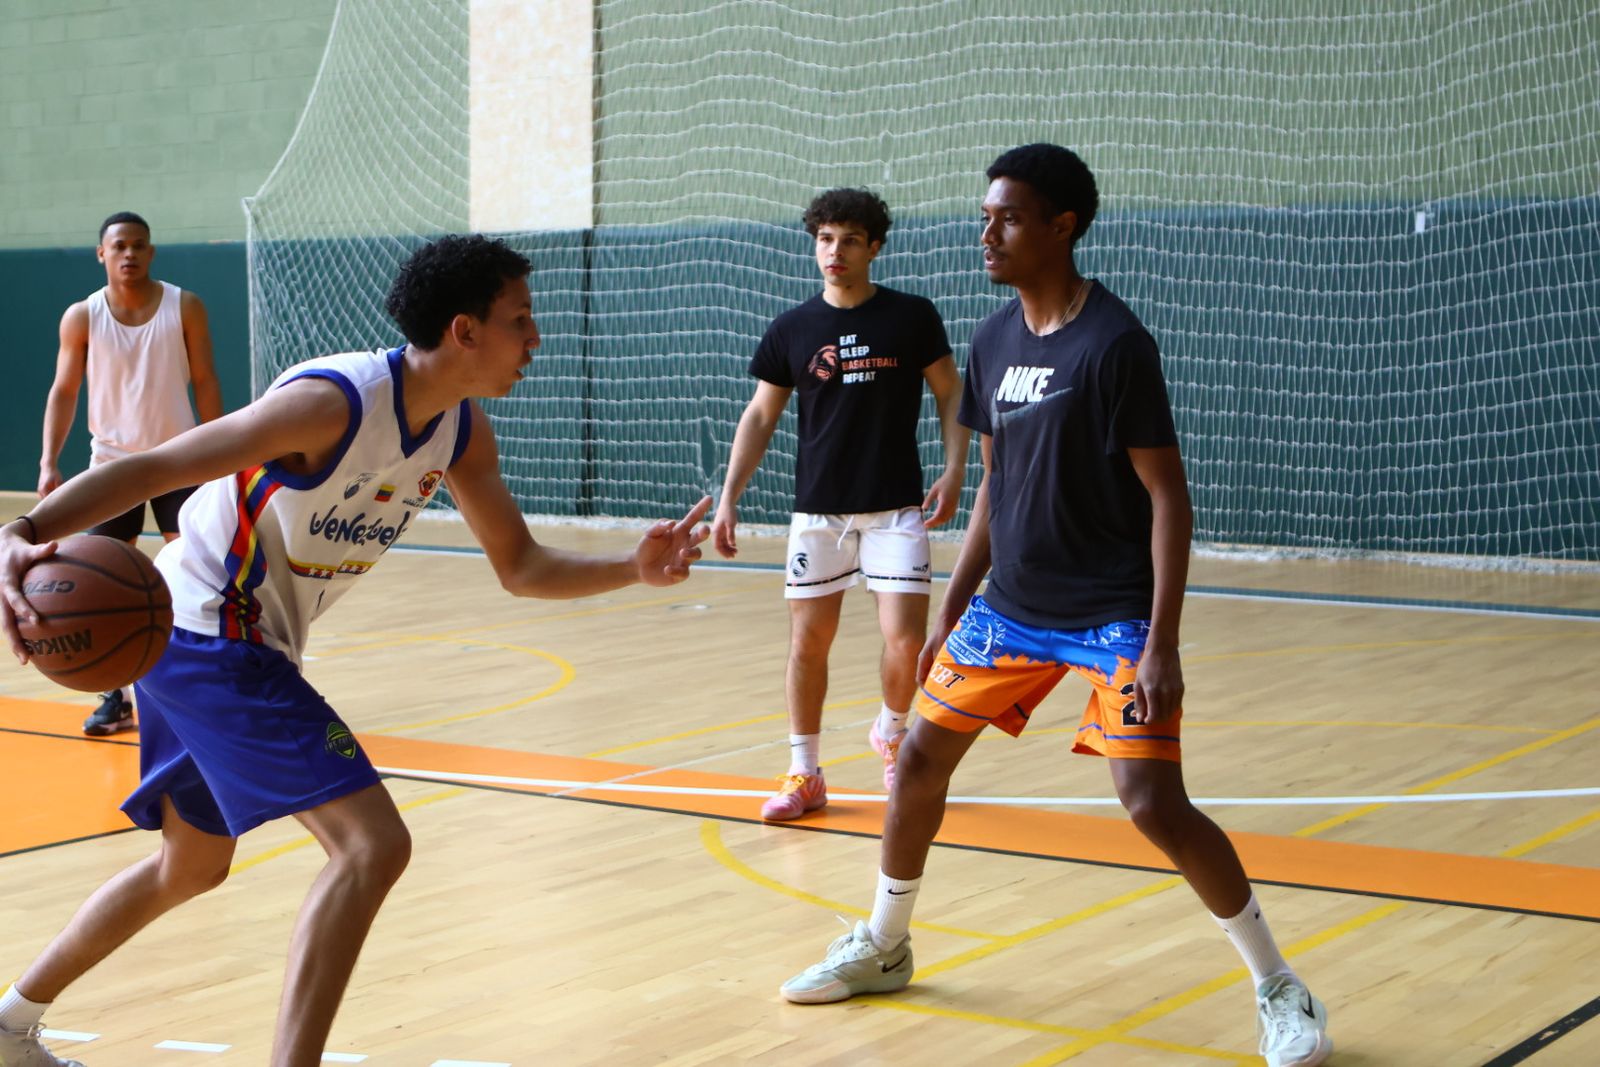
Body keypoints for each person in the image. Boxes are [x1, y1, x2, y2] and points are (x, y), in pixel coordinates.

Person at [0, 234, 711, 1067]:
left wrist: (632, 566)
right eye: (521, 320)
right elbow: (160, 464)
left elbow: (520, 567)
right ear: (464, 330)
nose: (537, 339)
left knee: (190, 865)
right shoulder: (331, 401)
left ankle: (10, 1023)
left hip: (220, 638)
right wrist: (24, 528)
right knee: (372, 843)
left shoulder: (457, 431)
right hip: (207, 627)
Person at [779, 146, 1333, 1067]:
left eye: (1007, 217)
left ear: (1062, 227)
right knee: (918, 757)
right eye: (985, 214)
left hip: (1113, 610)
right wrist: (955, 605)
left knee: (1150, 797)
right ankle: (885, 943)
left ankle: (1279, 983)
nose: (985, 231)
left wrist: (1161, 641)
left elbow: (1169, 497)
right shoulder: (993, 338)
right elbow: (995, 484)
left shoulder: (1115, 344)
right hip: (1011, 605)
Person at [712, 188, 968, 821]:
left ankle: (893, 734)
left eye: (850, 240)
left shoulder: (911, 317)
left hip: (895, 508)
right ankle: (805, 774)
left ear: (874, 248)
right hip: (819, 511)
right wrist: (728, 500)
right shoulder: (793, 329)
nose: (835, 251)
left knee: (905, 642)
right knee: (807, 644)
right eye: (825, 239)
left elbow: (950, 392)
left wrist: (957, 467)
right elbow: (760, 415)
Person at [39, 211, 223, 738]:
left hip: (180, 460)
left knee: (199, 575)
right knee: (98, 582)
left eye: (139, 245)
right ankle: (113, 697)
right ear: (102, 253)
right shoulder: (82, 316)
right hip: (113, 467)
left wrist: (220, 456)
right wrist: (49, 460)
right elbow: (64, 391)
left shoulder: (185, 305)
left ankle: (204, 686)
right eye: (119, 246)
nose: (130, 254)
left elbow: (207, 381)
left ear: (151, 251)